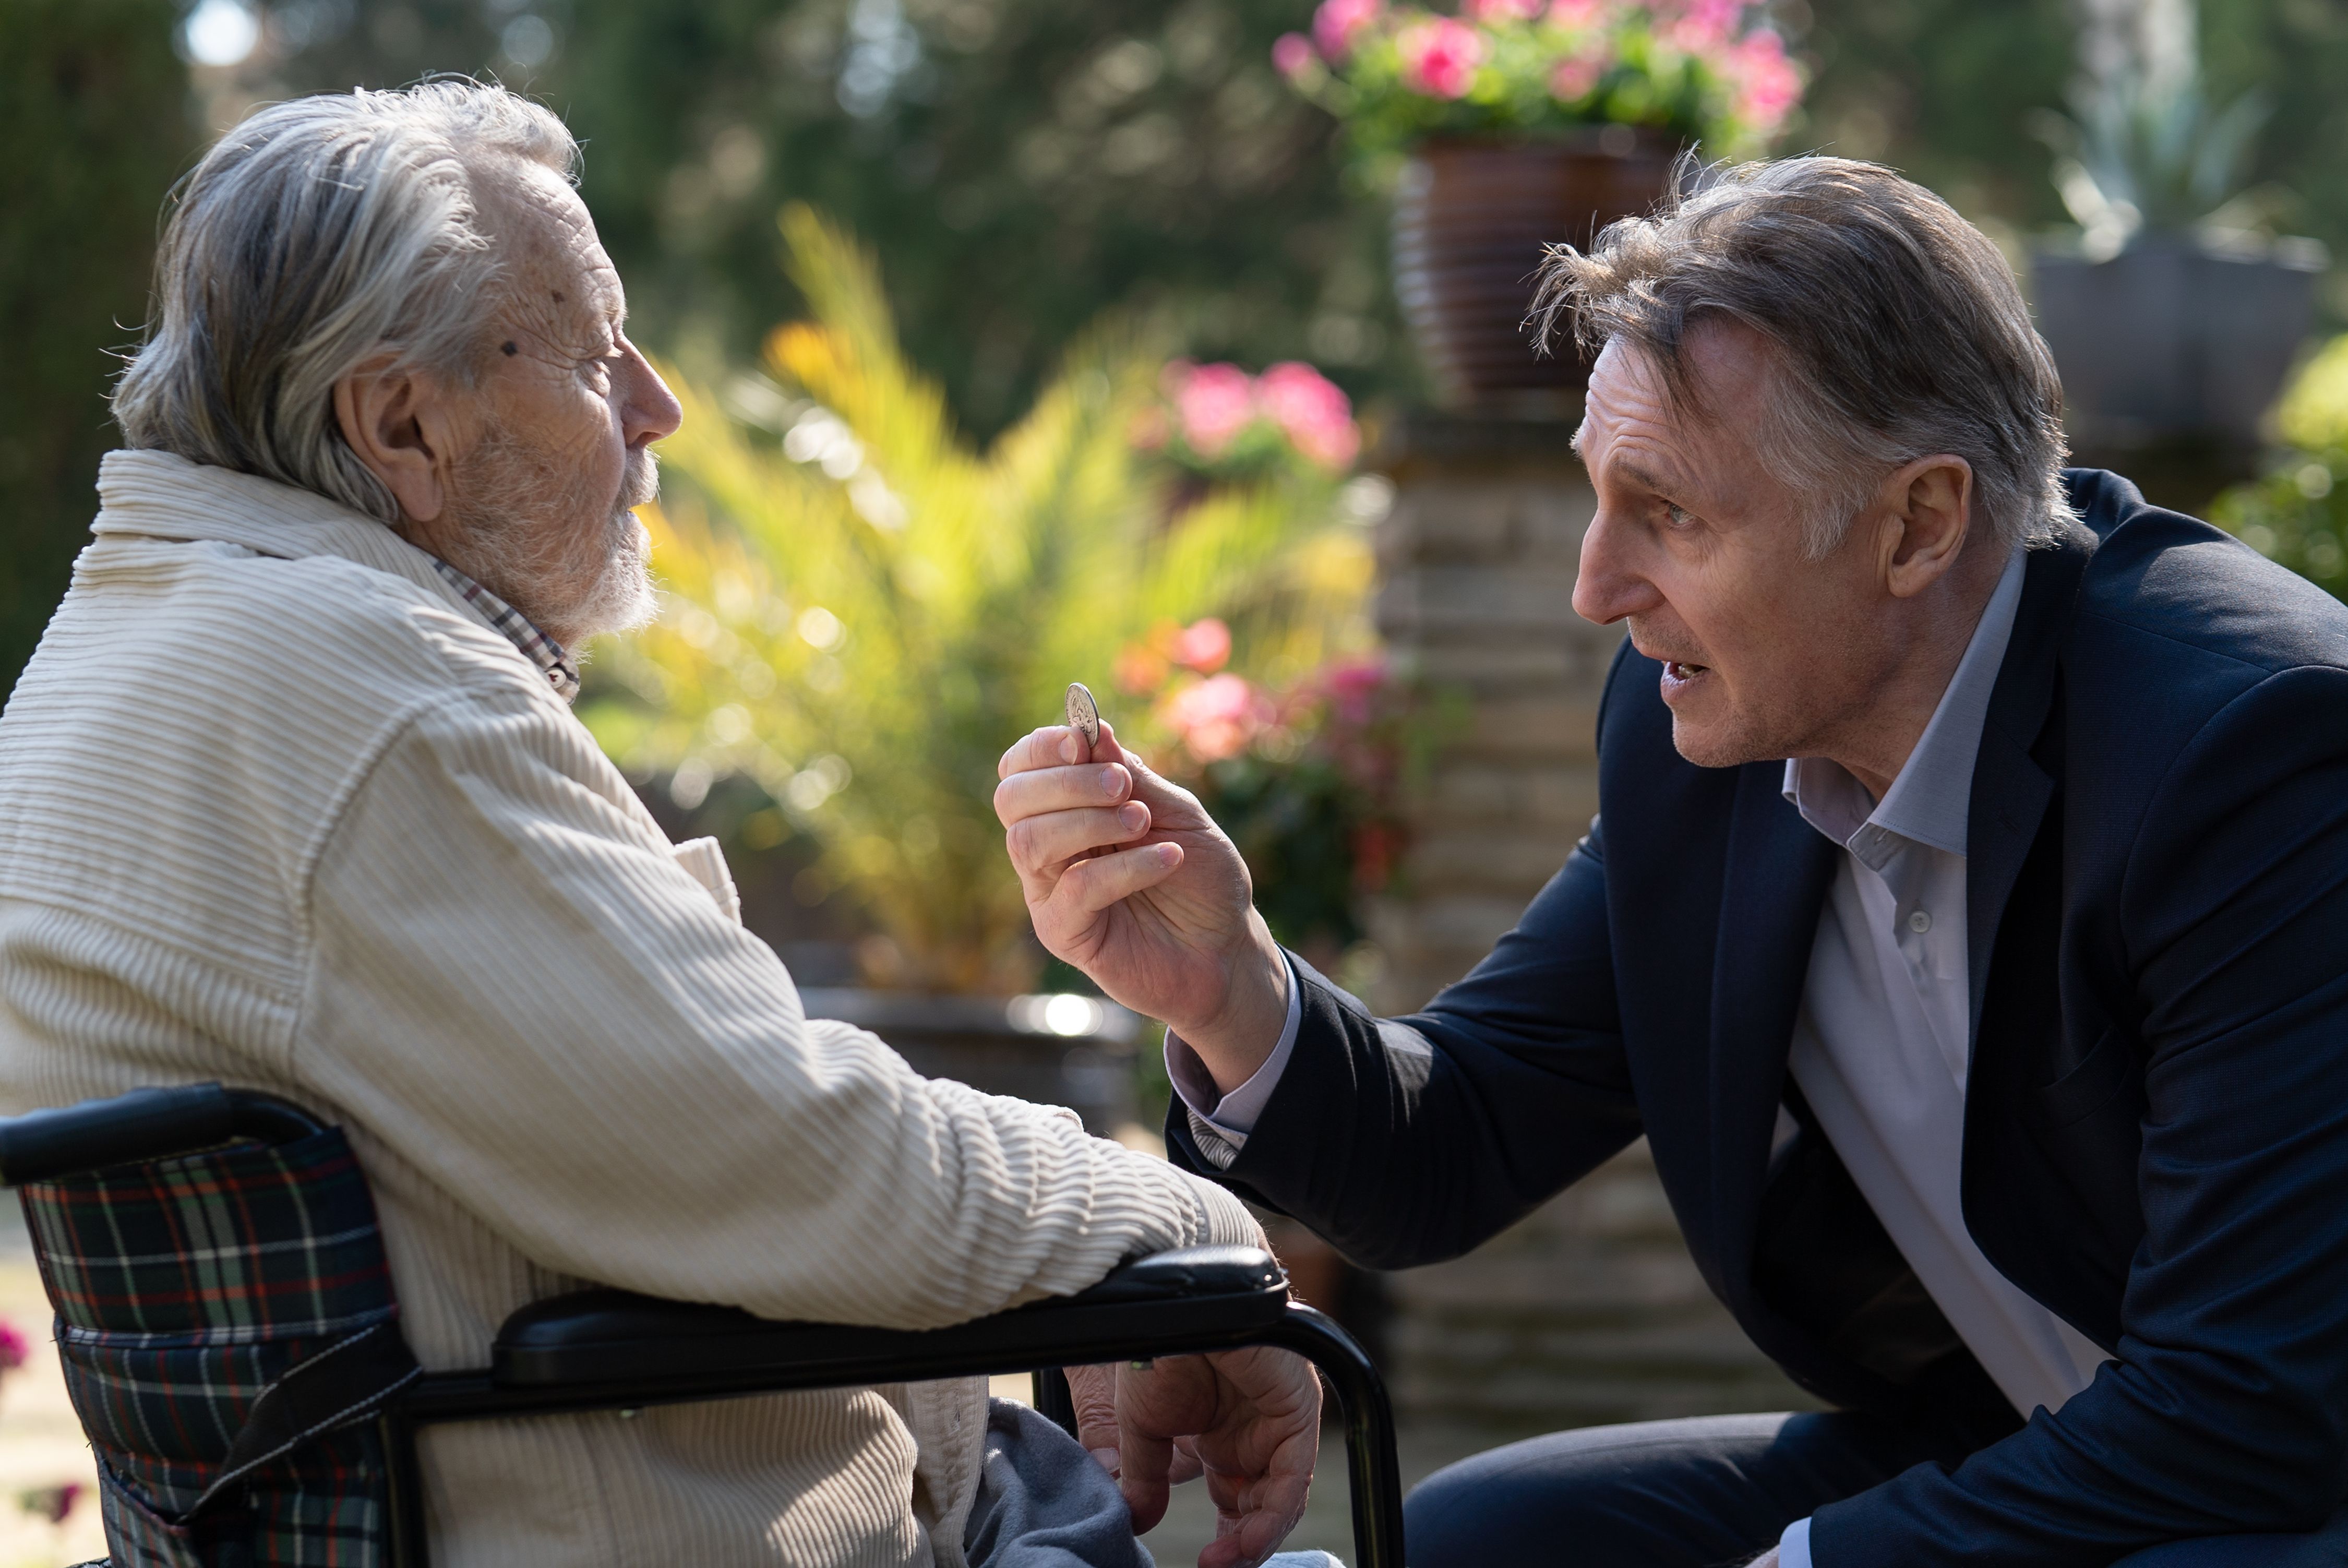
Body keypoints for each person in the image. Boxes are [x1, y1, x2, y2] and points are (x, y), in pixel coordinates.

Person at [0, 80, 1329, 1568]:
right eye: (590, 355)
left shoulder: (105, 658)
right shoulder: (374, 703)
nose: (655, 406)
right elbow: (808, 1163)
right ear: (398, 422)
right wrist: (1186, 1238)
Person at [996, 157, 2348, 1567]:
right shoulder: (1705, 726)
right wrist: (1229, 987)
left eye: (1671, 516)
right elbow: (1450, 1142)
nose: (1595, 589)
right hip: (2048, 1437)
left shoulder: (2252, 752)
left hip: (2272, 1479)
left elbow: (2241, 1411)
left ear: (1918, 523)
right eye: (1595, 500)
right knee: (1489, 1537)